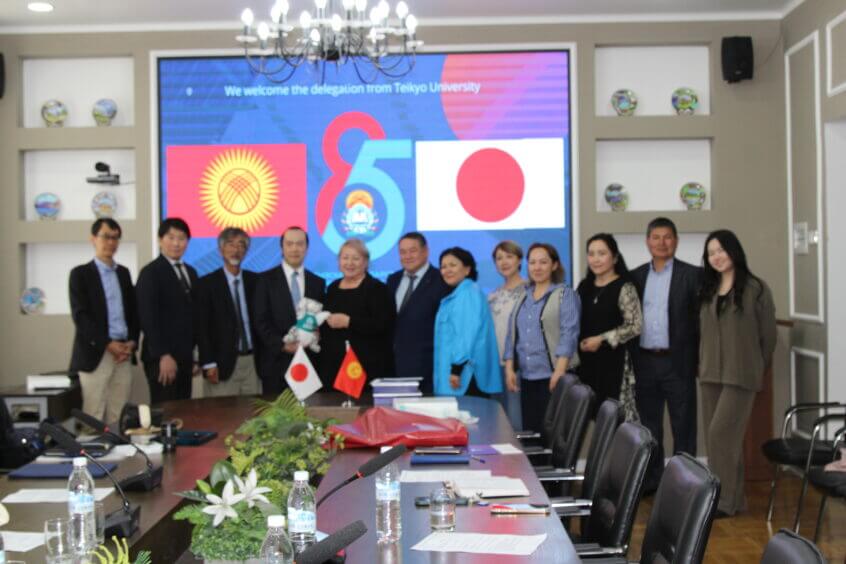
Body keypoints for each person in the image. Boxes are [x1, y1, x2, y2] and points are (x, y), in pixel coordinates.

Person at [698, 229, 776, 517]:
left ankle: (723, 502)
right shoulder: (708, 288)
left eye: (721, 250)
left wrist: (755, 365)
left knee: (720, 434)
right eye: (711, 253)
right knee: (720, 439)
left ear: (734, 251)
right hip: (710, 374)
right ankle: (735, 500)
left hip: (740, 374)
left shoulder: (756, 288)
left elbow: (768, 336)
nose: (716, 257)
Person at [631, 217, 702, 493]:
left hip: (678, 362)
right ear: (647, 241)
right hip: (645, 362)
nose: (662, 242)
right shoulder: (636, 276)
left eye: (667, 237)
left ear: (676, 241)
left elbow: (700, 322)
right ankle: (652, 481)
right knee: (650, 427)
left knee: (684, 425)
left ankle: (685, 484)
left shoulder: (693, 275)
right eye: (656, 237)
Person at [503, 243, 580, 433]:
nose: (537, 267)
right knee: (531, 434)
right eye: (532, 262)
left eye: (543, 262)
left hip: (553, 377)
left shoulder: (565, 294)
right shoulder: (523, 296)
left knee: (553, 435)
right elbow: (512, 334)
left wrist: (559, 372)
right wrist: (509, 368)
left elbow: (569, 334)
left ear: (554, 265)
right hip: (527, 377)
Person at [68, 218, 139, 423]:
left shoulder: (123, 273)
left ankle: (118, 445)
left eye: (115, 238)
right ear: (93, 238)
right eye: (106, 237)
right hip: (96, 353)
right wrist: (108, 343)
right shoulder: (80, 274)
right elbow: (81, 316)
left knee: (120, 416)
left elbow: (133, 313)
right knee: (93, 417)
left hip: (123, 353)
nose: (111, 242)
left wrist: (132, 342)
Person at [253, 226, 326, 395]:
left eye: (300, 244)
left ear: (306, 248)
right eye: (289, 244)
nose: (295, 249)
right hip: (275, 364)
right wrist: (282, 345)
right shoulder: (264, 280)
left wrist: (317, 333)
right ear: (282, 247)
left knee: (309, 410)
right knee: (277, 411)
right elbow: (260, 321)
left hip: (309, 363)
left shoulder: (318, 282)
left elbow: (319, 319)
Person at [577, 233, 642, 421]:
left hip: (616, 364)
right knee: (591, 418)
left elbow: (635, 325)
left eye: (602, 253)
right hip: (587, 363)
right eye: (591, 254)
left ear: (614, 257)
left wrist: (602, 339)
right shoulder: (584, 286)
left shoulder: (625, 287)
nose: (595, 259)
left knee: (615, 420)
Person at [136, 217, 199, 403]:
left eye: (182, 238)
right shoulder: (150, 272)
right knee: (165, 411)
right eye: (171, 238)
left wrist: (194, 356)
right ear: (160, 240)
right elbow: (148, 318)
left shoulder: (191, 272)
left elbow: (194, 317)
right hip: (162, 359)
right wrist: (163, 355)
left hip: (185, 358)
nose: (176, 243)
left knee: (183, 411)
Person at [319, 239, 396, 387]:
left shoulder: (377, 289)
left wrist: (349, 322)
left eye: (356, 258)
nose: (350, 263)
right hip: (334, 367)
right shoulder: (333, 288)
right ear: (339, 261)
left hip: (366, 367)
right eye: (345, 258)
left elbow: (383, 325)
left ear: (366, 262)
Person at [197, 228, 260, 397]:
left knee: (254, 410)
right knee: (222, 411)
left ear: (246, 251)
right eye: (230, 244)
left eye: (241, 245)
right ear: (220, 249)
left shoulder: (256, 281)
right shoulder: (206, 284)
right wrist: (208, 363)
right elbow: (202, 327)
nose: (235, 249)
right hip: (221, 363)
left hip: (253, 363)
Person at [433, 247, 502, 397]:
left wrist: (456, 369)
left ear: (467, 269)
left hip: (464, 376)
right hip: (458, 375)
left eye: (453, 265)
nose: (447, 270)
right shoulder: (458, 294)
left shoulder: (468, 293)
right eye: (443, 267)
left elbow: (466, 336)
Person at [386, 232, 449, 393]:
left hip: (428, 367)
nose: (407, 256)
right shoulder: (392, 280)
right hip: (394, 365)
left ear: (426, 251)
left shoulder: (441, 280)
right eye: (402, 252)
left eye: (412, 251)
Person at [487, 241, 527, 428]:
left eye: (509, 257)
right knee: (497, 419)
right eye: (499, 258)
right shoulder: (493, 295)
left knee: (515, 418)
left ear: (519, 260)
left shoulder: (530, 291)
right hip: (495, 365)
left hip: (518, 364)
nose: (504, 262)